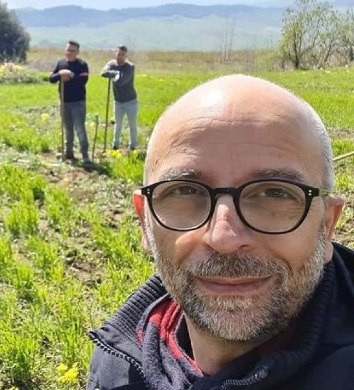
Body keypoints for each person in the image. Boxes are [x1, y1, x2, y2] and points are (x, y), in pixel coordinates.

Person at [87, 74, 353, 390]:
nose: (224, 239)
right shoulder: (118, 366)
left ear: (327, 225)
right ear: (146, 221)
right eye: (186, 191)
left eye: (275, 194)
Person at [49, 40, 91, 165]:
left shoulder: (82, 65)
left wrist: (71, 74)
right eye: (68, 50)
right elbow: (51, 78)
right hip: (64, 102)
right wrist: (60, 74)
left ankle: (85, 155)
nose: (69, 52)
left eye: (72, 50)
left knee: (80, 129)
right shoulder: (60, 63)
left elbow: (82, 80)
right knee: (68, 129)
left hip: (78, 102)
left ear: (77, 52)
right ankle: (69, 153)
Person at [101, 45, 138, 151]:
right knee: (118, 124)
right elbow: (103, 72)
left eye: (123, 54)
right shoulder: (111, 64)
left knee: (132, 124)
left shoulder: (130, 67)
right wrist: (114, 73)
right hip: (118, 101)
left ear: (126, 55)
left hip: (130, 101)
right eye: (118, 54)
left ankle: (133, 145)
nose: (120, 56)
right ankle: (116, 144)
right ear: (115, 54)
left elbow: (122, 80)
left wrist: (113, 74)